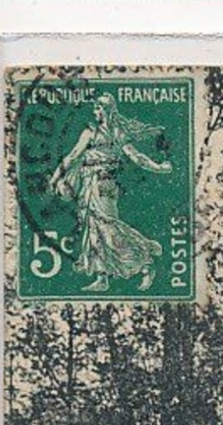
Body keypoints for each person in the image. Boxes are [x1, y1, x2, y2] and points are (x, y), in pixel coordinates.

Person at [48, 94, 173, 292]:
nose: (96, 113)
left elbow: (137, 157)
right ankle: (102, 277)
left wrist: (158, 167)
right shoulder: (90, 132)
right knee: (93, 227)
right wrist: (55, 178)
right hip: (88, 184)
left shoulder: (117, 133)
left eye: (99, 109)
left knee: (107, 227)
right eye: (95, 109)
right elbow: (72, 157)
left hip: (105, 185)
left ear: (108, 110)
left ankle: (144, 263)